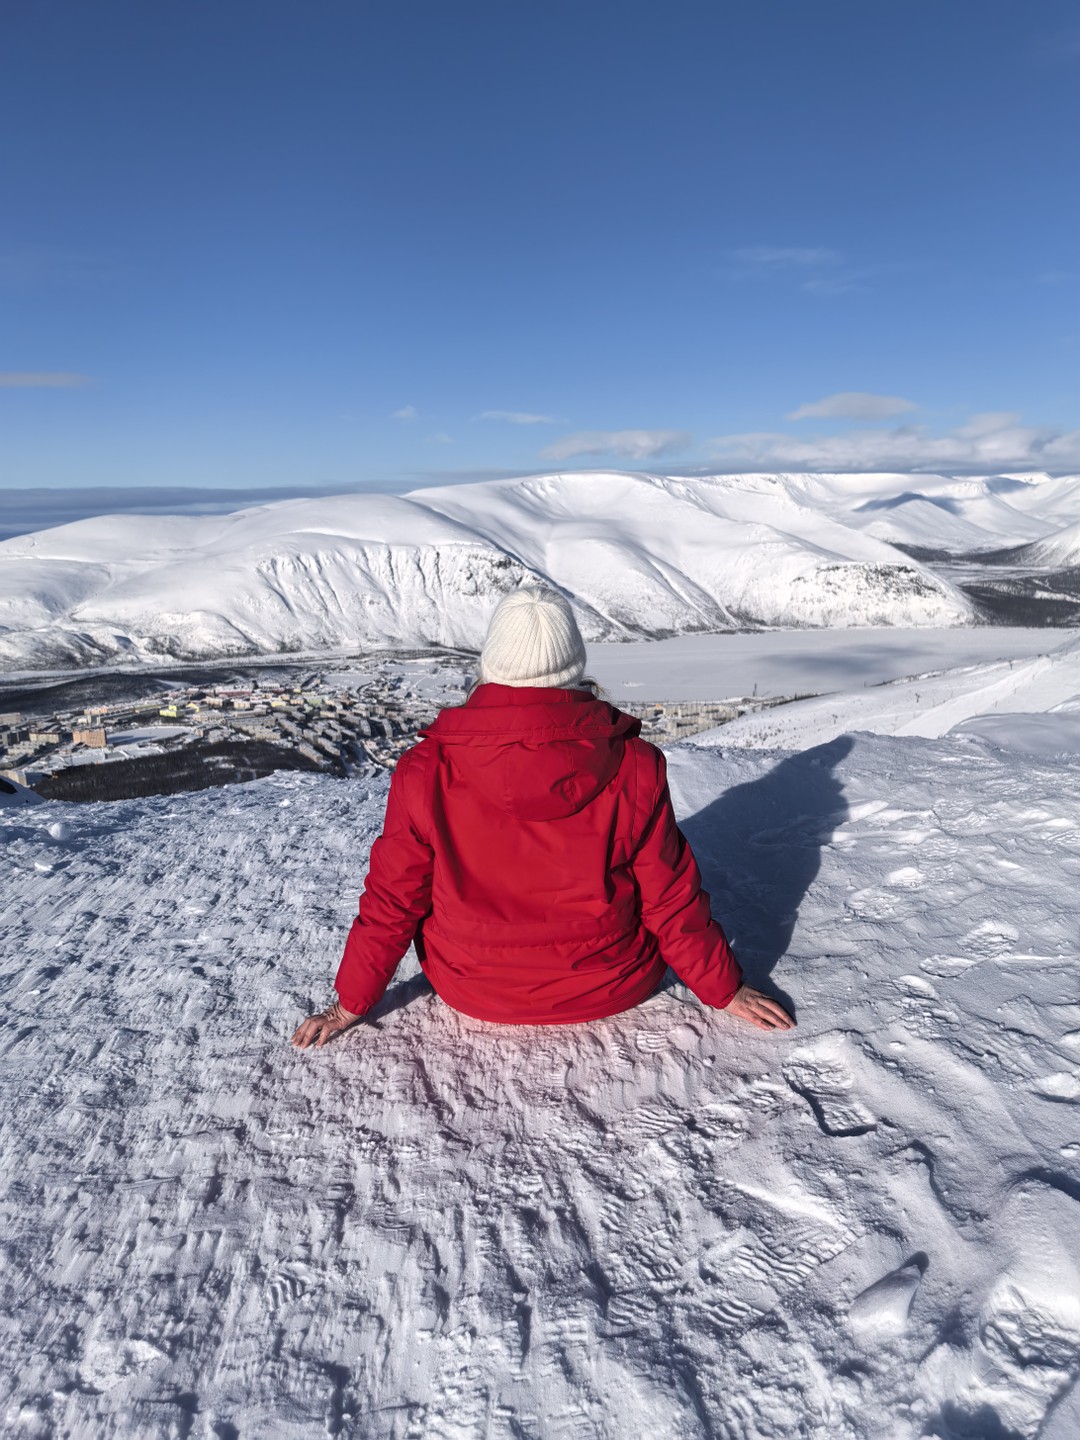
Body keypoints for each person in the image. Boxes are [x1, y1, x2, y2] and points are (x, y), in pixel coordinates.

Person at [293, 587, 794, 1048]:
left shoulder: (425, 770)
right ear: (572, 665)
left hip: (473, 989)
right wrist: (723, 989)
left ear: (492, 662)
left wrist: (350, 1003)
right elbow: (668, 895)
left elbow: (394, 899)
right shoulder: (635, 764)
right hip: (611, 983)